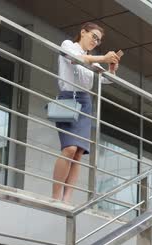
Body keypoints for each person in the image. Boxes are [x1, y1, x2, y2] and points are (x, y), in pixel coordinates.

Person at [52, 22, 121, 203]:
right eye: (94, 37)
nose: (95, 42)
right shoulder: (68, 45)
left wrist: (112, 69)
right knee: (69, 148)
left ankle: (66, 199)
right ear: (83, 32)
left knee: (78, 153)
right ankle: (55, 196)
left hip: (84, 101)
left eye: (98, 41)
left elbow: (105, 80)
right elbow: (76, 58)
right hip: (67, 97)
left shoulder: (93, 59)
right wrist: (102, 58)